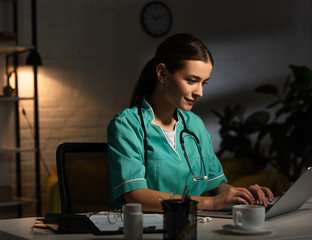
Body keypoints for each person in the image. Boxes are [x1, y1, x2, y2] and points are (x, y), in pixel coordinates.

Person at [107, 33, 273, 212]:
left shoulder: (195, 124)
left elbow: (215, 185)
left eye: (204, 83)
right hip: (144, 230)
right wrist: (209, 203)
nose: (199, 92)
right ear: (162, 74)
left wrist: (242, 195)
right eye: (192, 80)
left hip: (194, 226)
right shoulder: (126, 125)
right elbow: (135, 196)